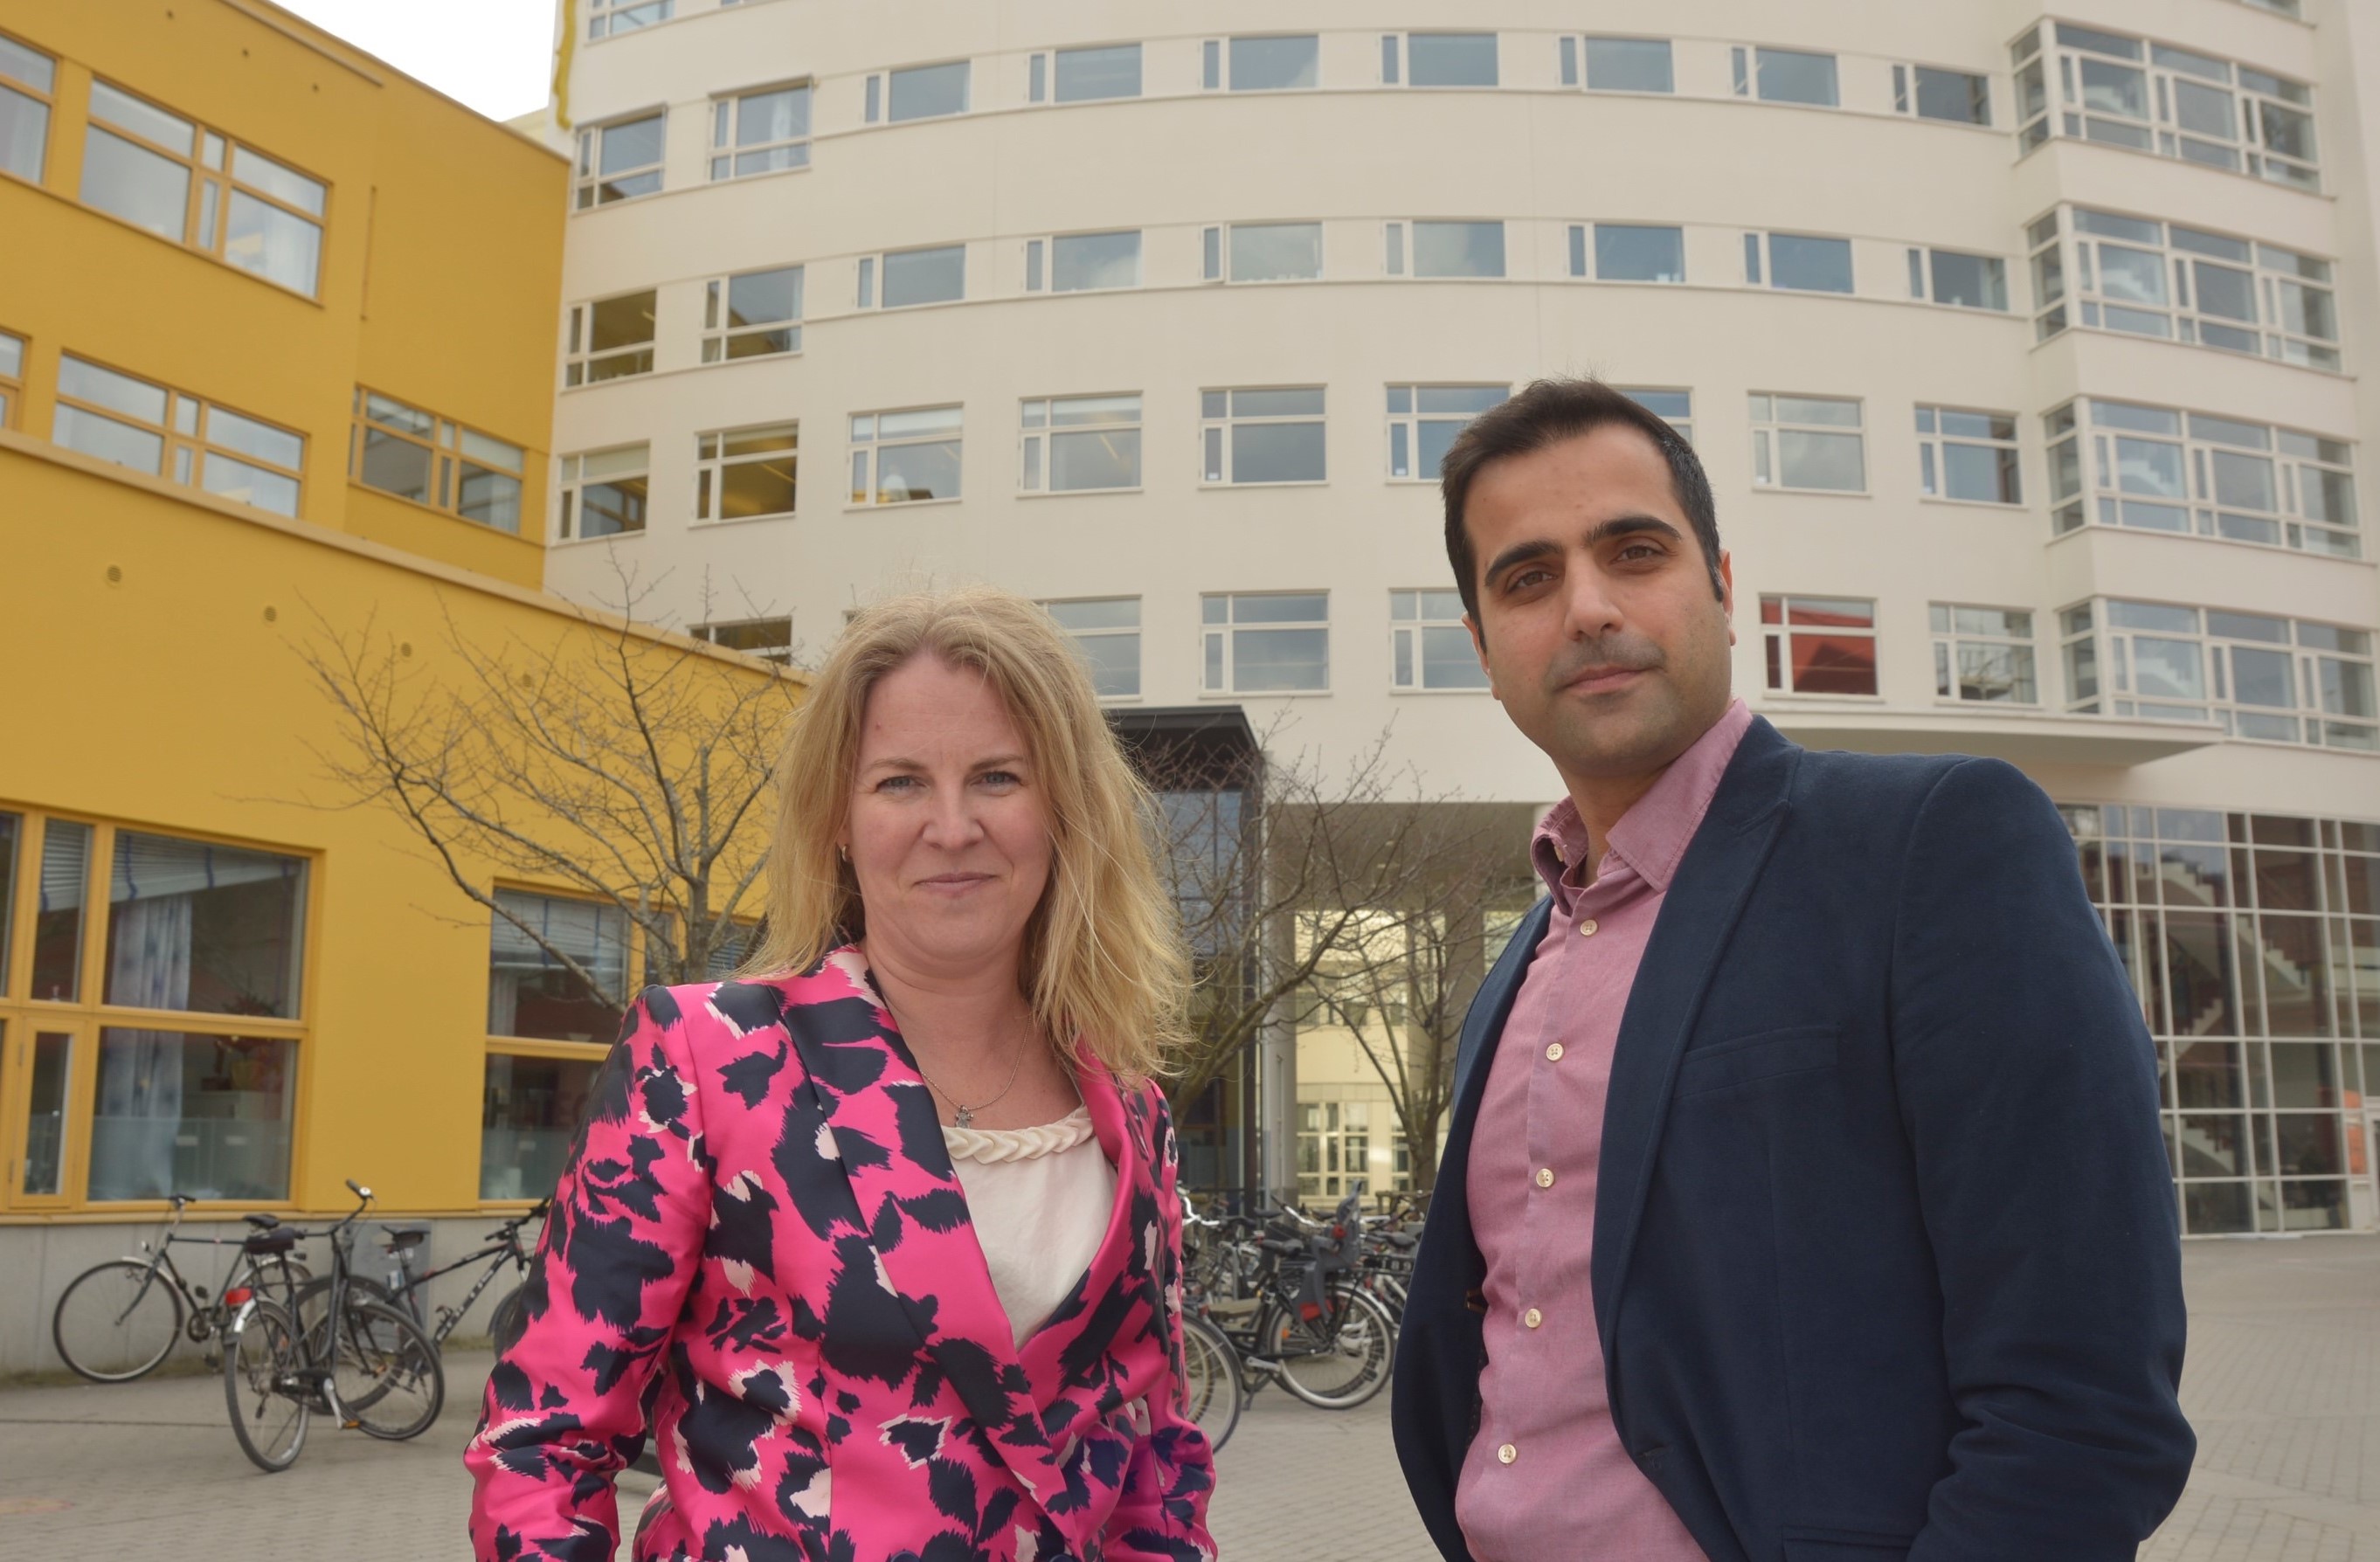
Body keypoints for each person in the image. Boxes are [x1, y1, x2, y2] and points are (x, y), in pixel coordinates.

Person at [1390, 378, 2194, 1561]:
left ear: (1721, 585)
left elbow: (2081, 1403)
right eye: (1528, 578)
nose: (1588, 607)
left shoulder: (1932, 849)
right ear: (1481, 647)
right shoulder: (1527, 959)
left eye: (1635, 550)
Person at [467, 586, 1216, 1562]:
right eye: (901, 782)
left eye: (997, 777)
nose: (952, 827)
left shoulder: (1131, 1110)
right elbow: (543, 1442)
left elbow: (1156, 1455)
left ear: (1065, 808)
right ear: (837, 820)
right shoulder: (707, 1059)